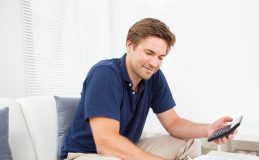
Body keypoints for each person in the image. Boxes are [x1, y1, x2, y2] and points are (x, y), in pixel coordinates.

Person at [60, 18, 236, 160]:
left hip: (127, 146)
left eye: (161, 57)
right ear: (130, 45)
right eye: (149, 53)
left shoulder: (153, 76)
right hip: (87, 153)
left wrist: (208, 130)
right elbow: (106, 143)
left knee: (190, 143)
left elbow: (173, 123)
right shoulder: (105, 73)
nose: (154, 63)